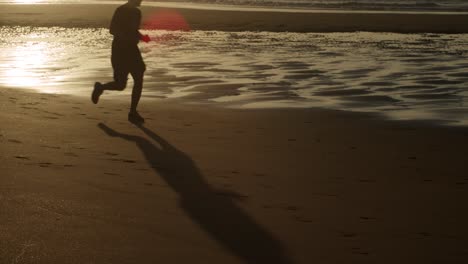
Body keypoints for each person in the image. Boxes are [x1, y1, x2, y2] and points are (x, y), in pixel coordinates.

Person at [92, 0, 151, 124]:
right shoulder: (121, 10)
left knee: (139, 77)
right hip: (120, 50)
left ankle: (133, 112)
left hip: (132, 50)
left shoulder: (137, 12)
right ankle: (100, 87)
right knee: (120, 85)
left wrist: (142, 37)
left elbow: (133, 30)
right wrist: (127, 37)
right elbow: (112, 30)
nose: (142, 1)